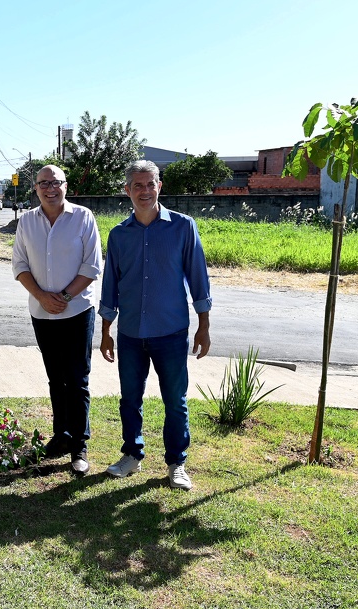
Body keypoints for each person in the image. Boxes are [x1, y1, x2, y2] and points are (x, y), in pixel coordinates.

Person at [98, 159, 212, 491]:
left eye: (151, 184)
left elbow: (198, 278)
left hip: (171, 332)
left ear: (159, 186)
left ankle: (177, 463)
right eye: (138, 185)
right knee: (129, 399)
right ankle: (131, 455)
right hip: (131, 334)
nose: (145, 191)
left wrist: (203, 325)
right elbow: (111, 286)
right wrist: (106, 332)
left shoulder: (183, 226)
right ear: (127, 190)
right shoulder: (119, 235)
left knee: (175, 400)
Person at [11, 164, 103, 475]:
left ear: (66, 185)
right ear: (35, 188)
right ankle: (61, 435)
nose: (50, 188)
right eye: (43, 183)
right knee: (56, 378)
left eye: (56, 182)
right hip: (41, 312)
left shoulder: (83, 217)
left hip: (77, 311)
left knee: (77, 379)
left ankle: (79, 445)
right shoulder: (26, 222)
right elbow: (20, 265)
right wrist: (41, 296)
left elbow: (92, 266)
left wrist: (61, 297)